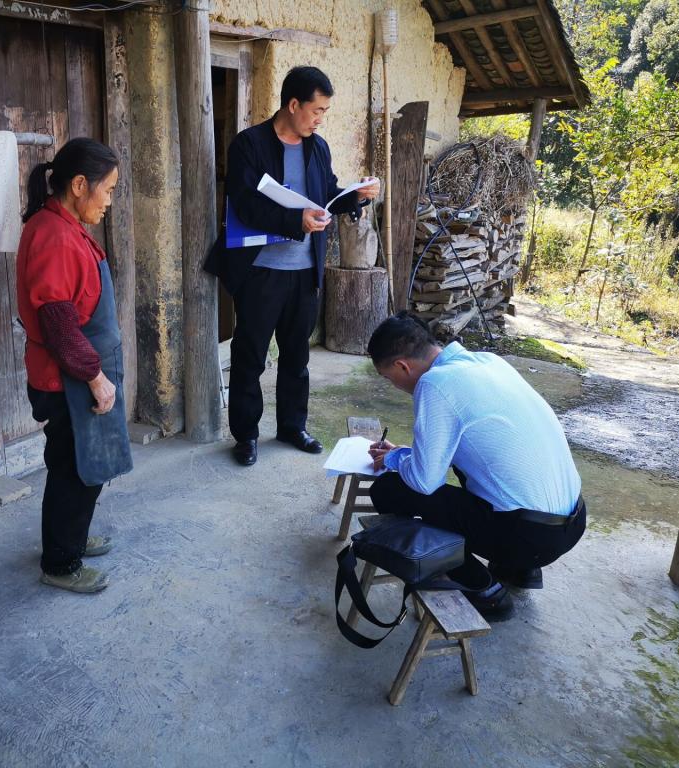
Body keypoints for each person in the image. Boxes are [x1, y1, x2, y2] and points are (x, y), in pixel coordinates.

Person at [204, 66, 380, 466]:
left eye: (325, 112)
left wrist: (357, 195)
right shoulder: (249, 144)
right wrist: (294, 220)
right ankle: (246, 435)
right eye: (317, 111)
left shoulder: (318, 148)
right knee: (250, 356)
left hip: (305, 271)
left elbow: (327, 193)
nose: (320, 119)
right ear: (294, 104)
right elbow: (244, 203)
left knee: (297, 357)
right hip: (261, 271)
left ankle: (291, 427)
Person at [365, 313, 586, 620]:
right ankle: (521, 570)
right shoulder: (488, 362)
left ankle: (483, 588)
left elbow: (424, 483)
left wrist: (393, 460)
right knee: (471, 459)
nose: (394, 385)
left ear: (403, 366)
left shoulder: (434, 384)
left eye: (389, 378)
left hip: (528, 537)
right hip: (572, 522)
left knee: (389, 490)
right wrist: (404, 454)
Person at [16, 137, 133, 594]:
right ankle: (61, 563)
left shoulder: (64, 225)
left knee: (81, 466)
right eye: (109, 190)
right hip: (67, 379)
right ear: (80, 185)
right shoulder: (54, 235)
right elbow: (59, 325)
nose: (109, 201)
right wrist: (96, 378)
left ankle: (72, 539)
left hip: (75, 373)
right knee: (74, 472)